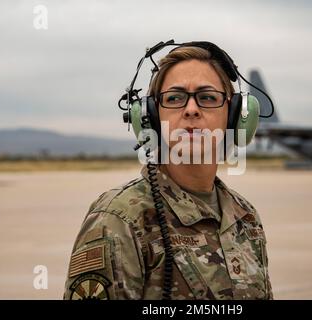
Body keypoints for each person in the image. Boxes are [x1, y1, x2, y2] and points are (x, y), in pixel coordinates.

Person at [63, 42, 273, 300]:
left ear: (234, 115)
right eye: (174, 98)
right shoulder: (120, 219)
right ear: (150, 117)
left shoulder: (245, 216)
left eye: (208, 97)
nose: (192, 110)